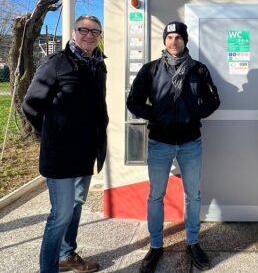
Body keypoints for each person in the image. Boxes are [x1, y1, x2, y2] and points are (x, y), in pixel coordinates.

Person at [127, 21, 220, 273]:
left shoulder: (198, 70)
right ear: (164, 41)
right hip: (160, 142)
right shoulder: (151, 70)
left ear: (185, 41)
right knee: (156, 196)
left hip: (191, 142)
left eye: (178, 37)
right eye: (169, 37)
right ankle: (156, 245)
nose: (174, 41)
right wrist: (154, 114)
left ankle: (193, 242)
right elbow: (133, 101)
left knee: (193, 195)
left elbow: (214, 99)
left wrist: (194, 114)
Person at [23, 15, 108, 273]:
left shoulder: (98, 65)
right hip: (60, 155)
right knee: (60, 215)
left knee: (76, 205)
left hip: (85, 153)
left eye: (96, 32)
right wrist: (52, 132)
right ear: (74, 32)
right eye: (84, 30)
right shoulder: (56, 63)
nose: (90, 35)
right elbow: (31, 105)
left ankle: (67, 255)